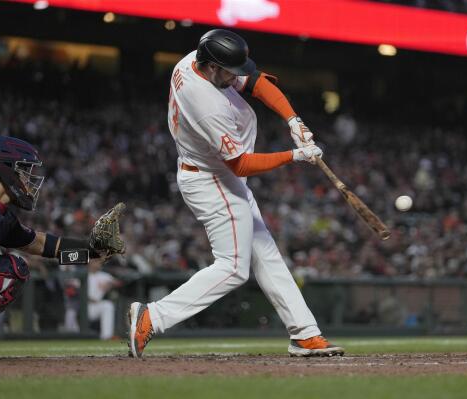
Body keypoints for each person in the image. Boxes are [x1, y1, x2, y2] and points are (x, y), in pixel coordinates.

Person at [128, 29, 344, 358]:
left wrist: (293, 120)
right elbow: (241, 164)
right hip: (213, 179)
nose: (238, 75)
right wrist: (294, 156)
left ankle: (305, 334)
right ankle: (153, 317)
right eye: (231, 71)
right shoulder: (205, 102)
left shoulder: (196, 62)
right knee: (233, 267)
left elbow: (255, 82)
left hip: (213, 172)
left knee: (266, 254)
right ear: (213, 67)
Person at [0, 135, 121, 359]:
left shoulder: (2, 218)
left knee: (16, 270)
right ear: (6, 168)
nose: (29, 179)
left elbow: (43, 246)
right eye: (23, 170)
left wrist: (91, 253)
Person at [87, 259, 122, 340]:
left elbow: (118, 283)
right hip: (83, 307)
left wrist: (110, 285)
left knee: (107, 305)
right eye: (95, 261)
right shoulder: (82, 274)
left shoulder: (104, 275)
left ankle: (106, 336)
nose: (98, 263)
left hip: (96, 306)